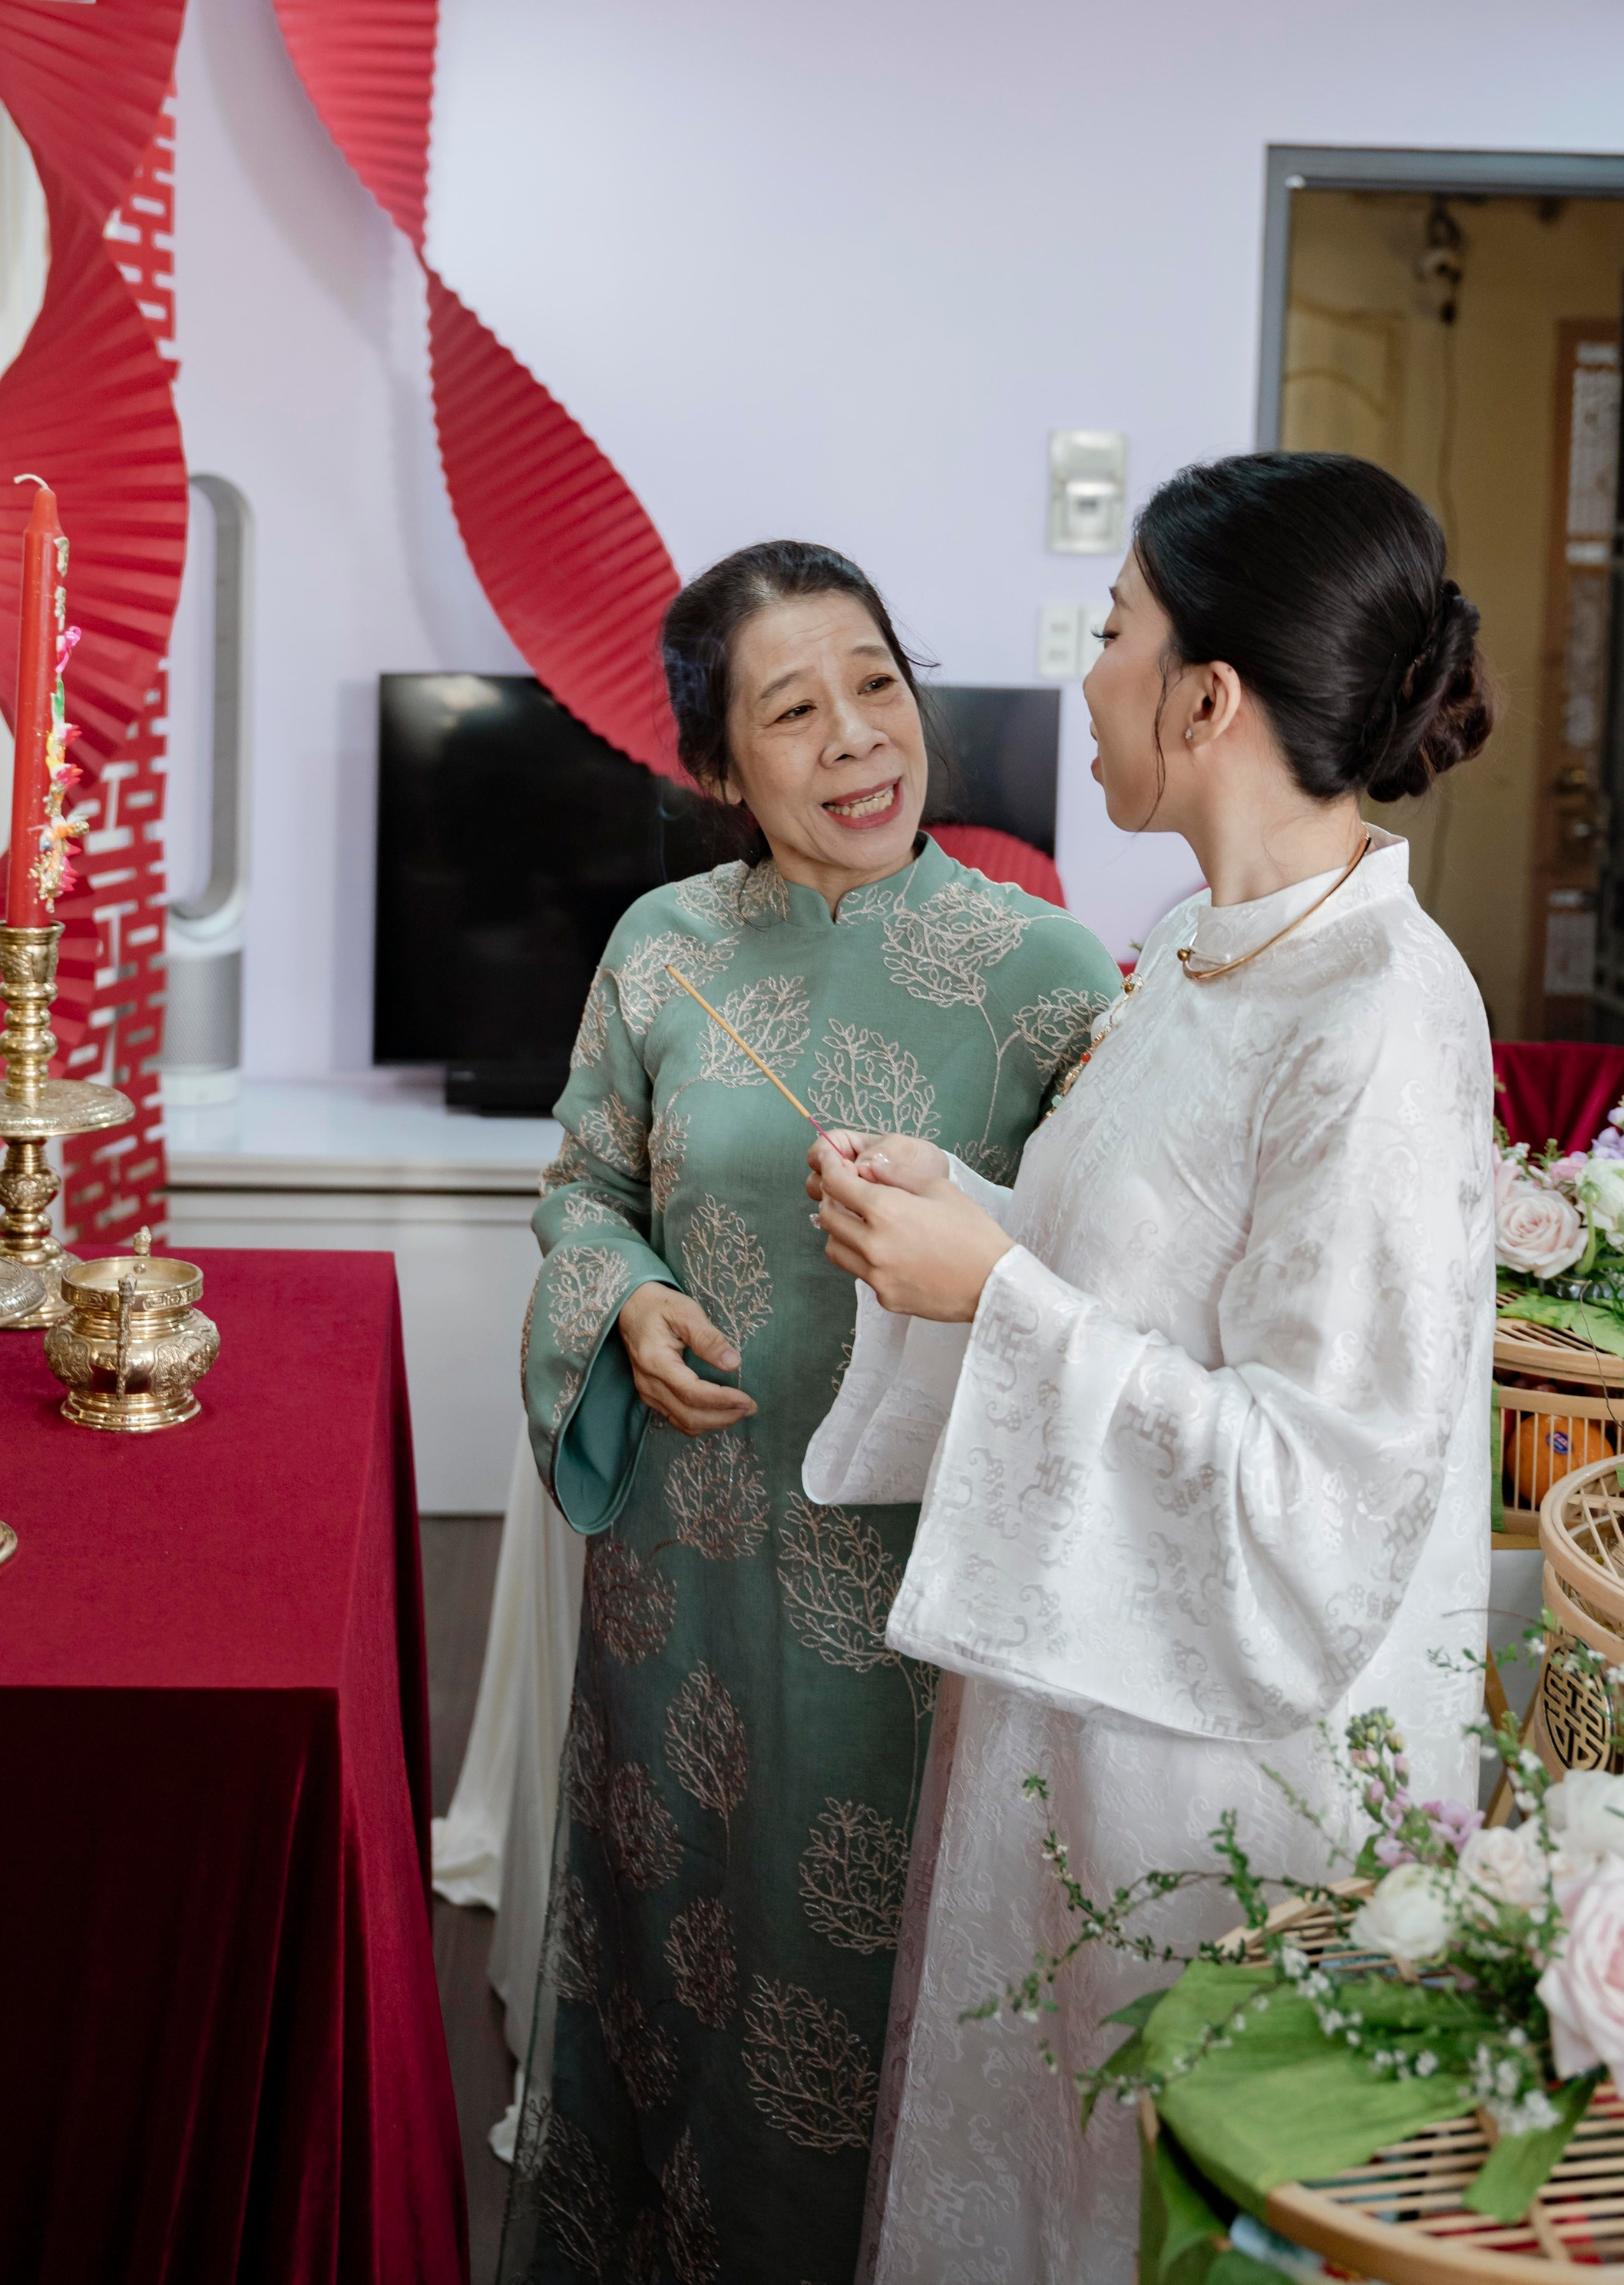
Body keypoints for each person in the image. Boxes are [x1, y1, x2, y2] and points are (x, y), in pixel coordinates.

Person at [802, 451, 1498, 2285]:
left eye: (1112, 628)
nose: (1086, 668)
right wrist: (954, 1227)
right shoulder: (1198, 947)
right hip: (1073, 1704)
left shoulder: (1379, 1017)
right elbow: (1126, 1276)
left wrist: (999, 1298)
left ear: (1206, 696)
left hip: (1217, 1784)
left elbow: (1317, 1499)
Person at [498, 541, 1121, 2285]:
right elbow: (578, 1189)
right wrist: (620, 1294)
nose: (856, 738)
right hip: (679, 1591)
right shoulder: (659, 951)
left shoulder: (1052, 972)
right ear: (715, 765)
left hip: (910, 1602)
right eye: (792, 707)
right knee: (674, 1958)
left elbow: (1111, 1277)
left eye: (875, 683)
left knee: (868, 1982)